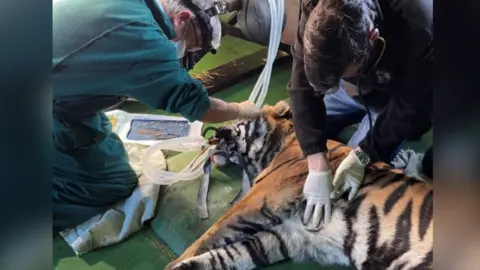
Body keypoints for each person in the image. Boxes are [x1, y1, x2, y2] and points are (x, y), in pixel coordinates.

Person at [52, 0, 260, 232]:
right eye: (192, 45)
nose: (188, 51)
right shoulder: (142, 39)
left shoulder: (134, 7)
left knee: (102, 145)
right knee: (113, 184)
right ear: (182, 18)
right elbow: (198, 106)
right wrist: (241, 110)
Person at [288, 0, 432, 229]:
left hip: (395, 93)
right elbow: (301, 82)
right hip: (351, 85)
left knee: (354, 181)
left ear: (373, 38)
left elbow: (409, 106)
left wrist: (364, 154)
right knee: (297, 130)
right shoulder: (314, 8)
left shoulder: (418, 23)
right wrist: (316, 160)